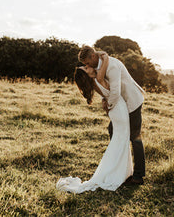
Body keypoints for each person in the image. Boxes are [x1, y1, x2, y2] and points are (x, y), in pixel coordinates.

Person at [56, 53, 133, 193]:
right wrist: (105, 57)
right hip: (120, 111)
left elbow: (107, 94)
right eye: (85, 68)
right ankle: (118, 174)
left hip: (115, 111)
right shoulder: (98, 78)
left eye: (86, 65)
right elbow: (105, 64)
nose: (88, 66)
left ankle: (123, 172)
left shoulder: (95, 82)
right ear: (87, 75)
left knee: (120, 141)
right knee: (121, 141)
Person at [79, 45, 145, 185]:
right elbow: (106, 87)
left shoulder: (112, 66)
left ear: (92, 56)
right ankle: (120, 168)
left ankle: (138, 176)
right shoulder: (99, 67)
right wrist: (104, 99)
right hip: (120, 105)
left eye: (86, 63)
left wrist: (108, 107)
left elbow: (114, 92)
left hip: (131, 101)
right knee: (112, 130)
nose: (86, 65)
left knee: (135, 137)